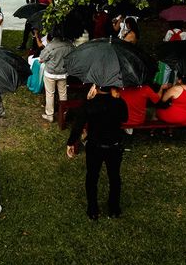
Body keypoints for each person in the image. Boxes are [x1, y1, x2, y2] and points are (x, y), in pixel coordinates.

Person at [66, 86, 128, 220]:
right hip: (114, 145)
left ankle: (93, 209)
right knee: (114, 177)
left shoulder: (90, 104)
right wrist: (118, 98)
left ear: (95, 87)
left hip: (95, 146)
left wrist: (71, 142)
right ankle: (114, 209)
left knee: (92, 177)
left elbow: (78, 125)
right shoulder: (119, 102)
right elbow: (125, 118)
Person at [38, 32, 74, 122]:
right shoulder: (69, 44)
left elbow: (41, 58)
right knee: (63, 93)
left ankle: (50, 115)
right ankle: (64, 113)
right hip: (63, 72)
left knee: (50, 94)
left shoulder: (51, 46)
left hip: (51, 73)